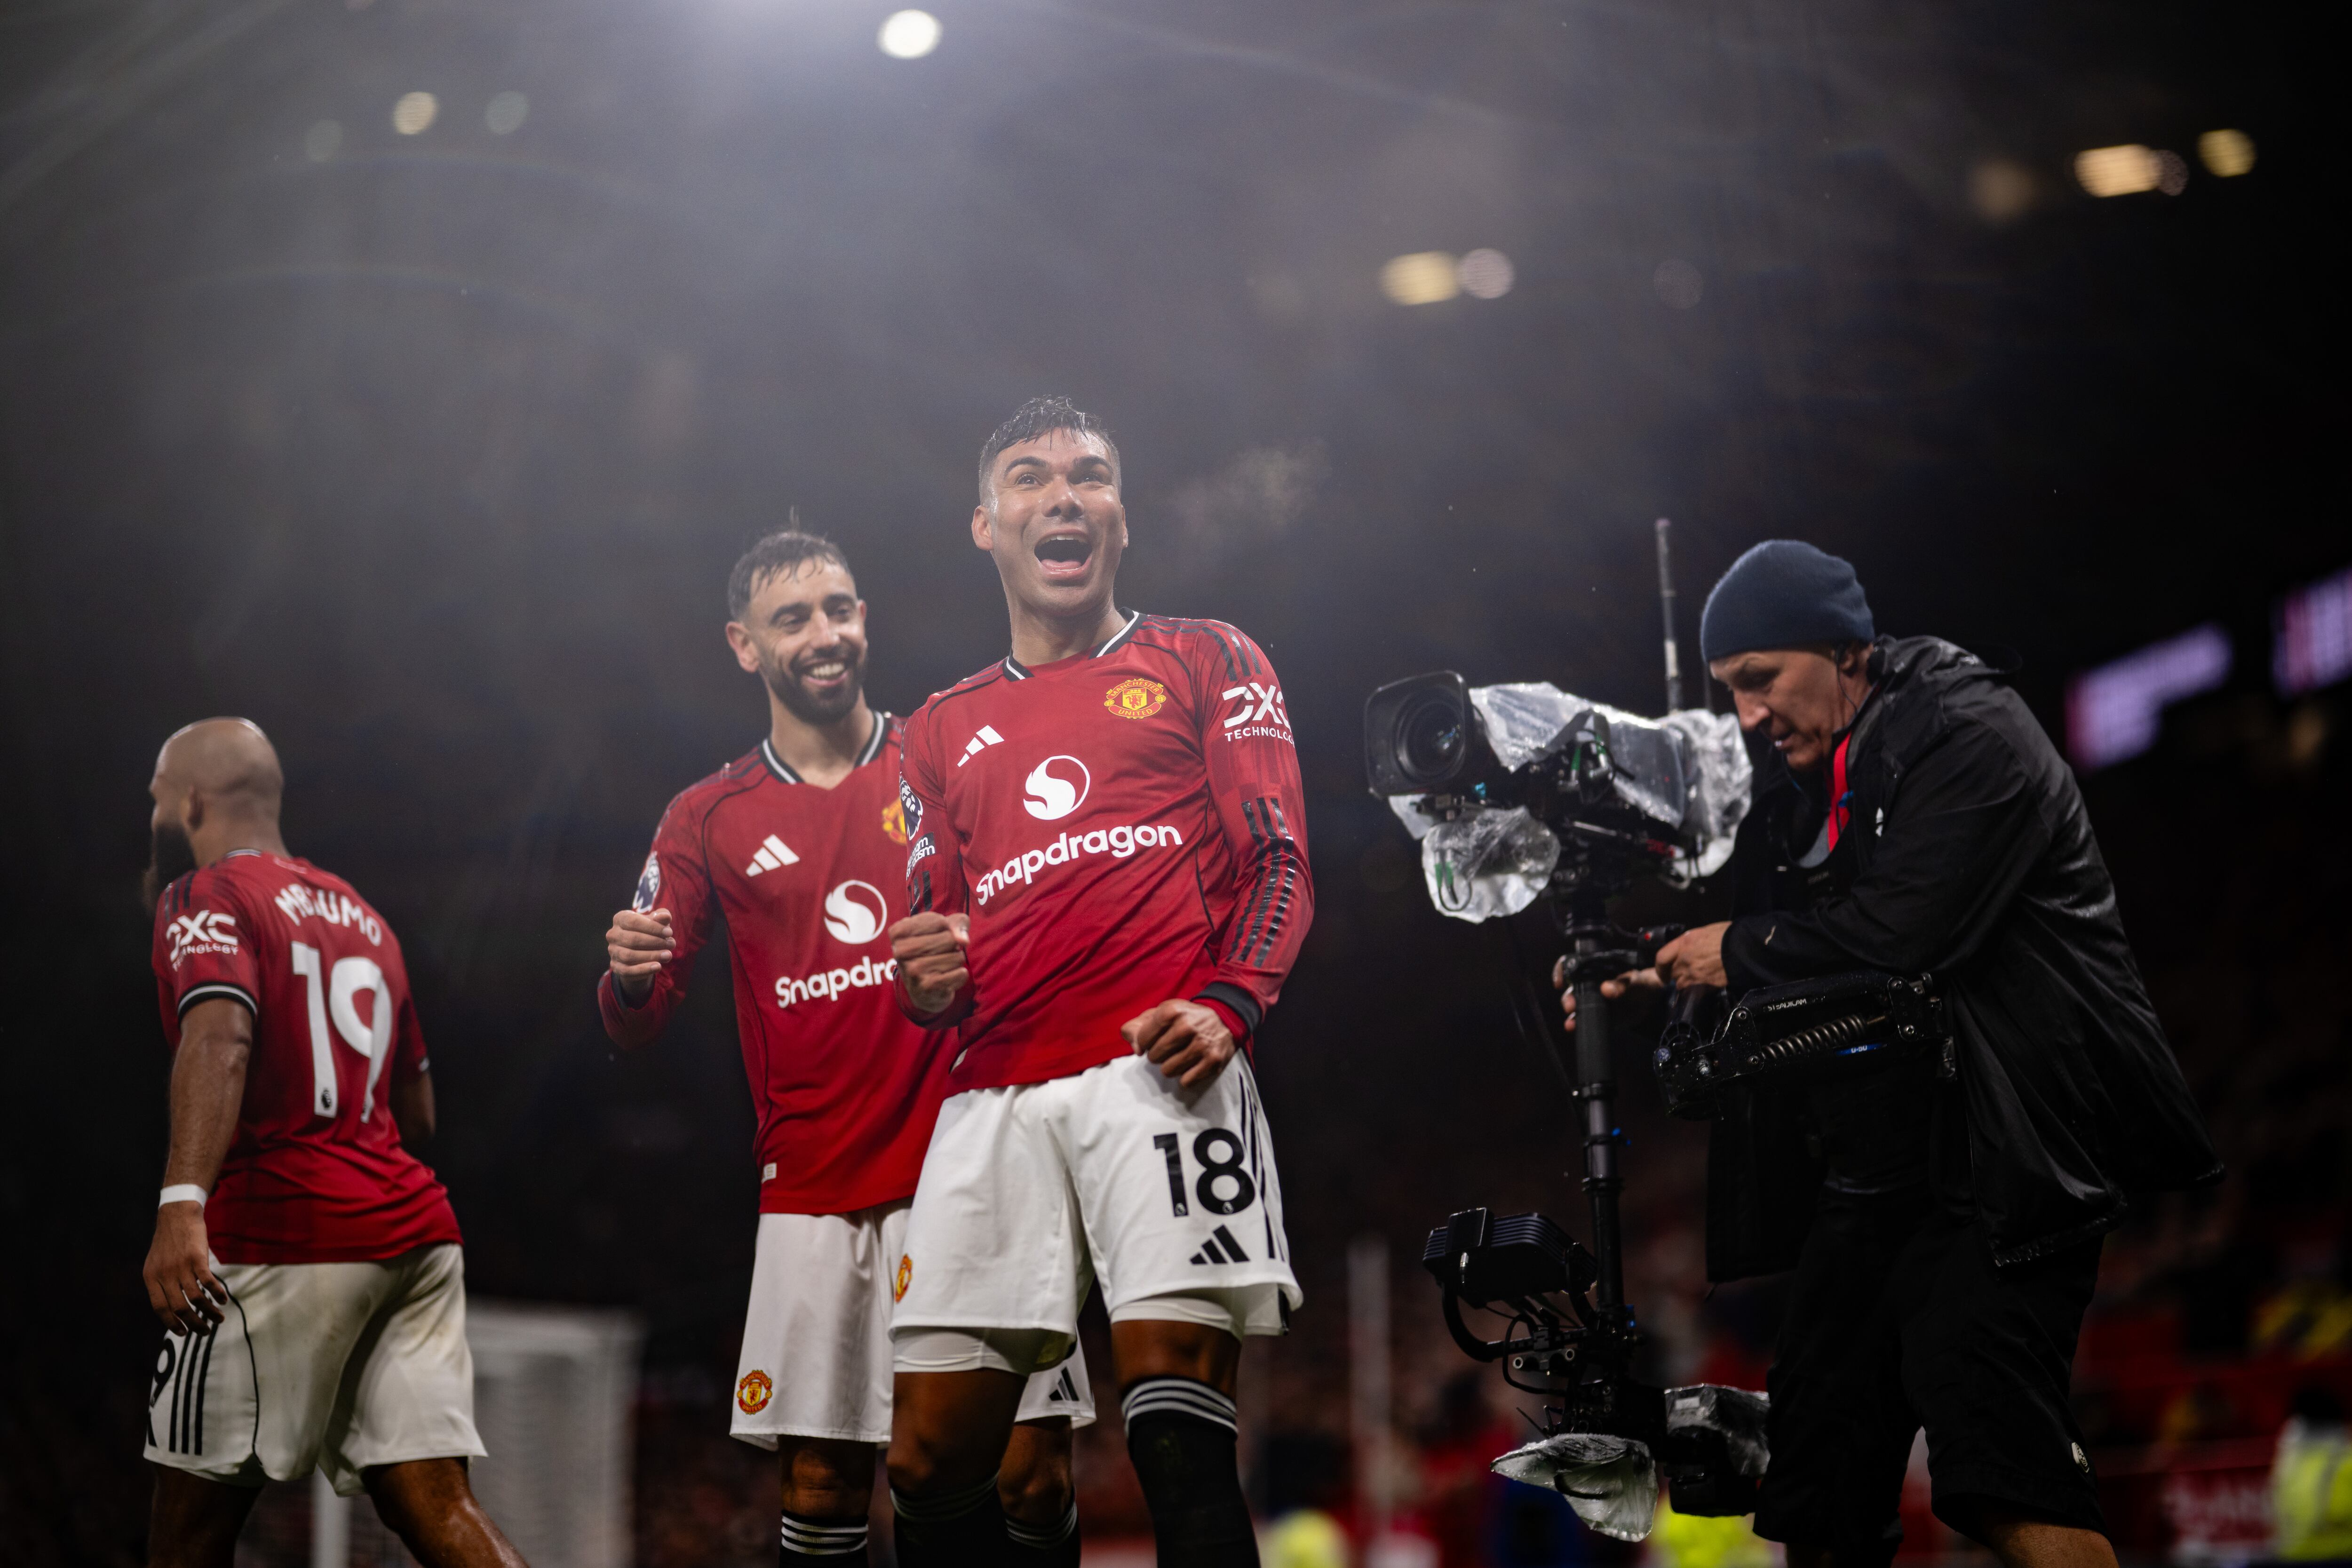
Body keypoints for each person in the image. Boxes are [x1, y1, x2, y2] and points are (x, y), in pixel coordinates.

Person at [1561, 541, 2218, 1568]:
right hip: (1880, 1173)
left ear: (1843, 649)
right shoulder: (1815, 772)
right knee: (1816, 1483)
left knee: (1999, 1472)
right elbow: (1778, 968)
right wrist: (1655, 979)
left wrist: (1722, 953)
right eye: (1730, 690)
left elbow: (1899, 934)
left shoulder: (1968, 728)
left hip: (2007, 1160)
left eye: (1759, 679)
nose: (1746, 714)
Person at [600, 529, 1094, 1566]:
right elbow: (636, 1015)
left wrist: (975, 953)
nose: (824, 635)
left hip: (969, 1161)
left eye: (840, 608)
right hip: (813, 1184)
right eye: (793, 618)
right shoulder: (706, 816)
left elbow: (1037, 913)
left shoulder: (949, 754)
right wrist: (633, 972)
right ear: (745, 644)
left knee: (1028, 1467)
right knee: (822, 1482)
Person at [886, 397, 1314, 1567]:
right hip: (993, 1096)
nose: (1062, 496)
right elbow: (935, 943)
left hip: (1156, 1079)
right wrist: (926, 978)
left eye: (1089, 476)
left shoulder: (1207, 655)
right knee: (926, 1458)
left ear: (1119, 519)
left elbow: (1279, 862)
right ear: (985, 524)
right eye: (1029, 478)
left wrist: (1229, 1002)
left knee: (1175, 1429)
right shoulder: (934, 730)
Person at [140, 719, 526, 1568]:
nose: (155, 808)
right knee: (440, 1505)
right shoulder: (366, 918)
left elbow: (221, 1040)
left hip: (281, 1232)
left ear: (193, 799)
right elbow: (417, 1109)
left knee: (186, 1532)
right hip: (414, 1235)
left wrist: (181, 1202)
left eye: (158, 794)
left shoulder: (205, 894)